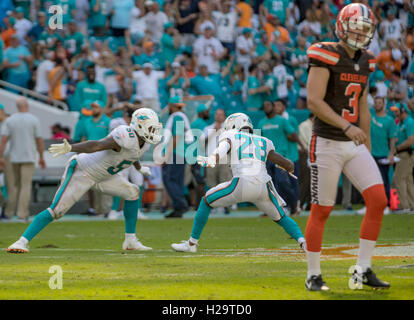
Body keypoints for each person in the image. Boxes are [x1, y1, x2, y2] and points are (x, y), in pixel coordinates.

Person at [304, 3, 389, 291]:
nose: (360, 32)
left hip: (353, 143)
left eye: (365, 28)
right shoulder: (325, 53)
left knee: (378, 200)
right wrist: (347, 127)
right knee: (322, 210)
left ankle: (363, 269)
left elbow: (362, 102)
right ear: (342, 25)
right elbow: (314, 101)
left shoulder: (367, 61)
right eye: (356, 26)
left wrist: (363, 137)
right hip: (327, 141)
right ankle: (313, 275)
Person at [6, 108, 162, 253]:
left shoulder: (144, 143)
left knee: (132, 192)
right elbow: (96, 145)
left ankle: (130, 241)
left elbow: (133, 155)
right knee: (56, 211)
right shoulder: (125, 135)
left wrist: (139, 168)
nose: (153, 131)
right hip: (83, 171)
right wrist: (71, 148)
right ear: (139, 126)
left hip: (104, 176)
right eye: (150, 127)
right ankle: (21, 242)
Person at [171, 113, 306, 252]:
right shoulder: (264, 140)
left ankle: (192, 244)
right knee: (281, 217)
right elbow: (285, 163)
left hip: (242, 183)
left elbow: (223, 147)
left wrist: (212, 158)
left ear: (233, 125)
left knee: (206, 201)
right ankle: (303, 242)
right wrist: (289, 167)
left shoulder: (230, 135)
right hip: (263, 187)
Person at [0, 97, 46, 221]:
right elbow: (39, 140)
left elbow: (4, 140)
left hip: (14, 158)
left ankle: (10, 212)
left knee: (16, 186)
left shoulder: (10, 120)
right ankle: (22, 214)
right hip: (29, 157)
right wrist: (41, 157)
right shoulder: (34, 119)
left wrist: (0, 157)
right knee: (25, 186)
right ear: (27, 105)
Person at [358, 96, 397, 215]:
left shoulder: (389, 120)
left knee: (383, 181)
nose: (377, 104)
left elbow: (392, 139)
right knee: (367, 182)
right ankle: (368, 205)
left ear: (384, 104)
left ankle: (385, 206)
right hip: (369, 154)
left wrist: (391, 153)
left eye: (380, 102)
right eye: (376, 103)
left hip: (383, 155)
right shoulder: (370, 117)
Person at [161, 96, 191, 218]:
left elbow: (176, 137)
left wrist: (166, 155)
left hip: (176, 153)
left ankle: (181, 204)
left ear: (171, 106)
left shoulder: (177, 117)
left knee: (168, 179)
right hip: (180, 153)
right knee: (177, 181)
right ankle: (178, 209)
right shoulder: (181, 116)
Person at [390, 102, 414, 212]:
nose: (395, 113)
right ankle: (411, 204)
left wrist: (396, 149)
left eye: (397, 111)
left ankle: (404, 206)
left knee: (399, 178)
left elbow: (410, 140)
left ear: (403, 110)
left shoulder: (409, 122)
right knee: (408, 179)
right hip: (403, 154)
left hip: (406, 154)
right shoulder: (401, 123)